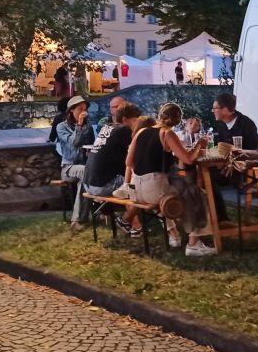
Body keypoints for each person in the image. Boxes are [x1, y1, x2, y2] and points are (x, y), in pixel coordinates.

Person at [124, 102, 215, 256]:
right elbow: (187, 159)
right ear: (178, 120)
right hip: (155, 189)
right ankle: (193, 244)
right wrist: (199, 144)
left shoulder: (141, 132)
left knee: (183, 189)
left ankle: (175, 236)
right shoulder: (167, 133)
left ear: (160, 115)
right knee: (195, 193)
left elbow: (128, 162)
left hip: (137, 190)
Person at [82, 103, 143, 199]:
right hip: (101, 186)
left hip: (87, 184)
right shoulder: (125, 130)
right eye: (136, 120)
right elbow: (137, 155)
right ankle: (131, 210)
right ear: (125, 120)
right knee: (141, 182)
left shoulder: (107, 127)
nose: (138, 124)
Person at [54, 95, 95, 231]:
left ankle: (79, 219)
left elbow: (92, 145)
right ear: (71, 110)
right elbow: (74, 142)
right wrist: (79, 125)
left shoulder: (88, 127)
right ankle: (84, 216)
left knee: (85, 177)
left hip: (84, 167)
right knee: (85, 171)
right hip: (68, 168)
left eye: (85, 109)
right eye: (80, 109)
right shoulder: (61, 127)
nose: (83, 112)